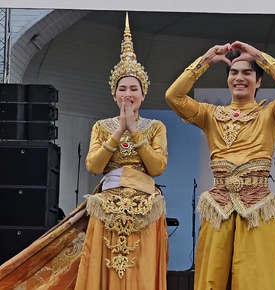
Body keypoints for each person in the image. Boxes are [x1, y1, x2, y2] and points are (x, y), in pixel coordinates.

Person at [0, 13, 168, 290]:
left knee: (142, 266)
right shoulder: (102, 126)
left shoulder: (155, 127)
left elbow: (157, 167)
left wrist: (134, 131)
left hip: (145, 207)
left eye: (133, 89)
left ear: (143, 93)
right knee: (104, 265)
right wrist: (118, 132)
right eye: (122, 88)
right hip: (106, 207)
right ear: (114, 94)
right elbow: (94, 166)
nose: (128, 94)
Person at [166, 41, 275, 290]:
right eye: (234, 72)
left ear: (258, 81)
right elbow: (173, 97)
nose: (239, 77)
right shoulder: (210, 115)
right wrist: (205, 61)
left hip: (257, 209)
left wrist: (260, 57)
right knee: (210, 281)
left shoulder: (270, 114)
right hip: (218, 208)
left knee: (257, 281)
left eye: (247, 72)